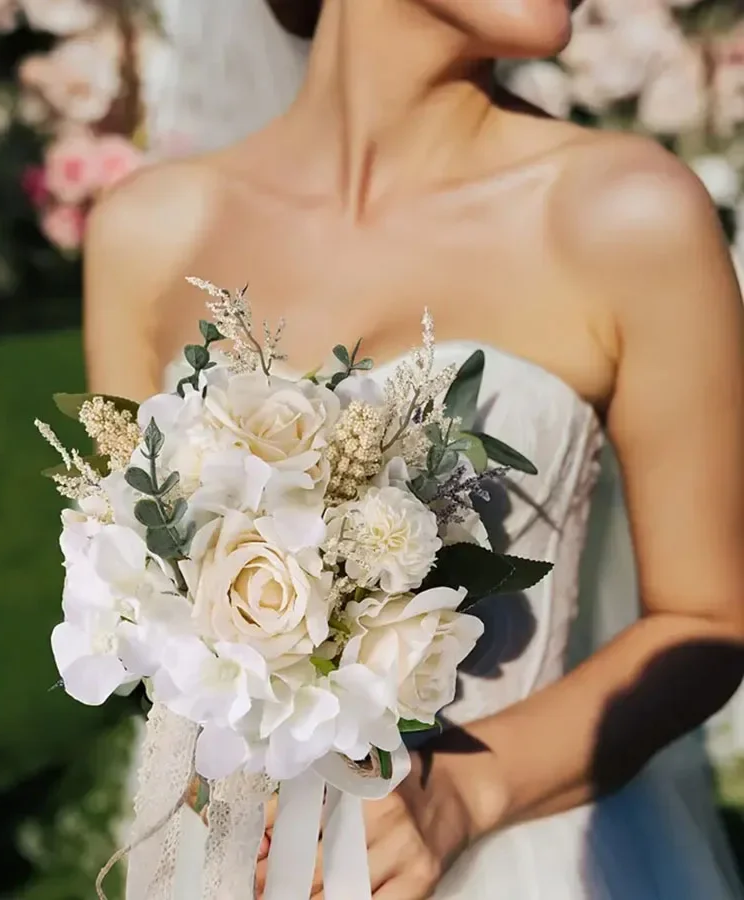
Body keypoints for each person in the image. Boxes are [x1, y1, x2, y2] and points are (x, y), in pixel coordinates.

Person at [84, 0, 744, 896]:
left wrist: (463, 793)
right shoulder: (147, 233)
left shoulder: (626, 214)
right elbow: (135, 606)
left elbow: (710, 619)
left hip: (525, 855)